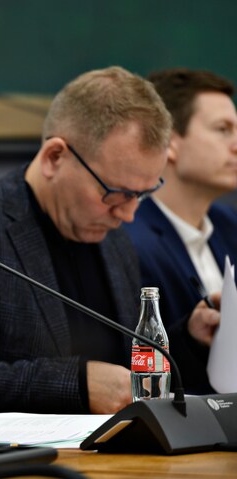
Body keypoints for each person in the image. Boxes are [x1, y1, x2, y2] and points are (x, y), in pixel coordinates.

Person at [0, 66, 220, 419]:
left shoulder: (113, 235)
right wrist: (74, 386)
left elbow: (125, 375)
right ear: (55, 157)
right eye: (116, 192)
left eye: (142, 194)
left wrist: (191, 340)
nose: (129, 214)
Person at [124, 68, 236, 393]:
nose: (236, 144)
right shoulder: (128, 240)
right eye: (223, 130)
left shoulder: (229, 224)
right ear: (170, 143)